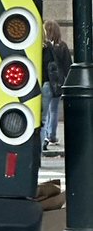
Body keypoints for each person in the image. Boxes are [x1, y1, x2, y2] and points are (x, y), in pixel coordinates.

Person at [41, 19, 71, 152]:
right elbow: (67, 66)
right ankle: (51, 135)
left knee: (44, 112)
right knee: (54, 110)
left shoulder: (43, 47)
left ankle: (45, 138)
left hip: (46, 82)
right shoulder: (62, 46)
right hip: (58, 83)